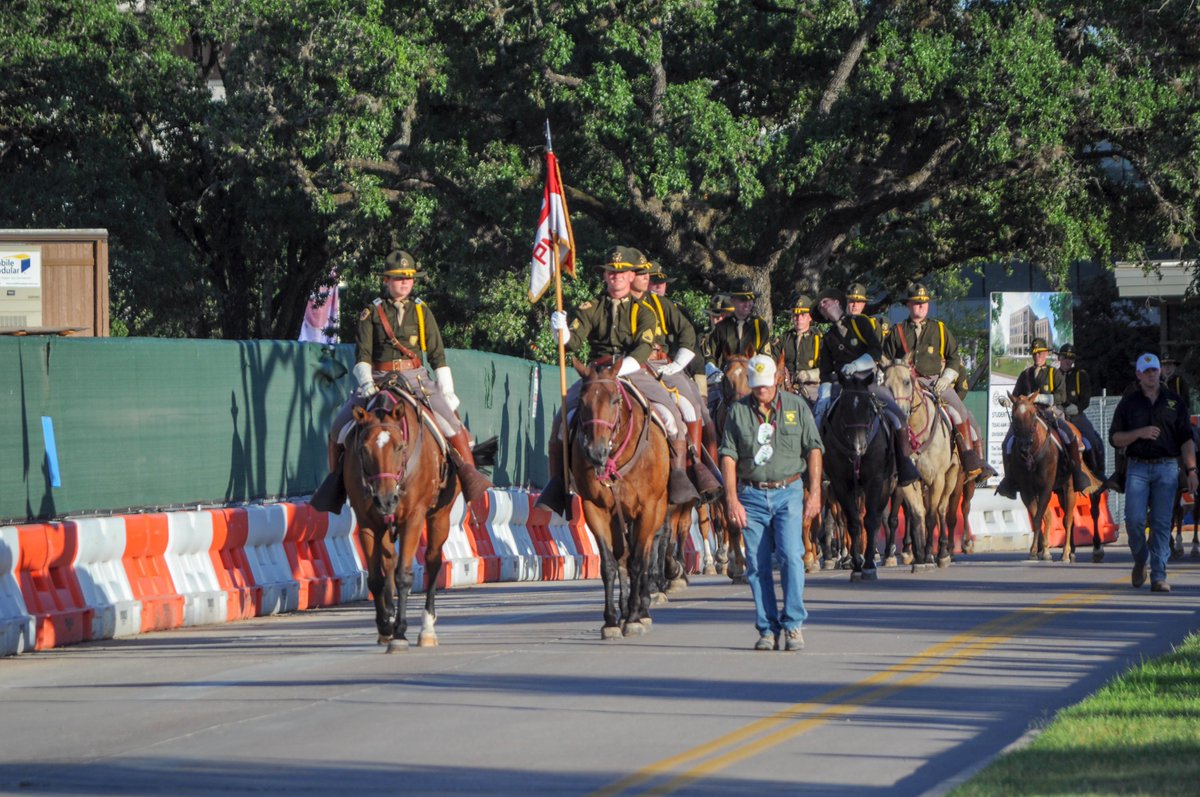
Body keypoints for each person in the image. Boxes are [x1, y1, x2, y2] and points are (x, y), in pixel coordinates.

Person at [311, 250, 492, 511]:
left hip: (415, 378)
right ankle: (337, 485)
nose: (405, 283)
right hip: (378, 377)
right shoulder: (370, 312)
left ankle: (470, 479)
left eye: (409, 278)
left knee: (453, 425)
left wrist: (447, 390)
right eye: (398, 278)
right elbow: (362, 355)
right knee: (338, 429)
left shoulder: (421, 311)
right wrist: (366, 384)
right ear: (386, 280)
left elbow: (437, 355)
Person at [536, 246, 705, 515]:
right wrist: (562, 332)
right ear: (604, 276)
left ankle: (677, 476)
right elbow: (575, 342)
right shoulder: (591, 308)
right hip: (597, 374)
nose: (615, 277)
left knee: (671, 416)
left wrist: (622, 369)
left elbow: (643, 349)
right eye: (610, 272)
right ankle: (559, 484)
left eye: (621, 272)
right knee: (561, 422)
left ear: (630, 277)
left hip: (633, 369)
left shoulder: (643, 311)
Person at [718, 354, 823, 651]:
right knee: (756, 565)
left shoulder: (796, 406)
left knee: (791, 556)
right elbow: (728, 455)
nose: (761, 390)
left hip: (788, 491)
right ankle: (766, 628)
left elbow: (814, 449)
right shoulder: (737, 412)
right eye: (756, 386)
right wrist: (731, 498)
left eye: (766, 385)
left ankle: (792, 625)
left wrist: (815, 492)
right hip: (751, 495)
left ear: (776, 379)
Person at [883, 282, 995, 481]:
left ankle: (971, 460)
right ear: (908, 305)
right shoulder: (897, 331)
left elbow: (954, 357)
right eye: (916, 303)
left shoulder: (940, 329)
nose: (921, 306)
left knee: (960, 411)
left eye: (924, 303)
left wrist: (947, 377)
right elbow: (884, 359)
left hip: (935, 382)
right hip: (905, 385)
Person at [811, 287, 921, 487]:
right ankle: (817, 469)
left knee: (898, 416)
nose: (823, 307)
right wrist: (824, 396)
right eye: (820, 307)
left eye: (825, 302)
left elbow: (875, 351)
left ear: (837, 302)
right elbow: (825, 371)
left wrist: (856, 365)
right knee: (816, 420)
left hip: (867, 383)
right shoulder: (828, 336)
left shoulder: (861, 322)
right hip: (839, 387)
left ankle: (903, 464)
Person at [630, 260, 722, 497]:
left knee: (694, 408)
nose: (654, 285)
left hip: (662, 363)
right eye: (649, 280)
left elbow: (688, 334)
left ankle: (695, 466)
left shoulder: (665, 306)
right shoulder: (613, 303)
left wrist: (680, 363)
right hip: (627, 364)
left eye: (658, 282)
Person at [1109, 353, 1199, 593]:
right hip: (1137, 467)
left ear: (1160, 372)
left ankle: (1158, 575)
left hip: (1168, 468)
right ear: (1138, 375)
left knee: (1161, 523)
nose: (1152, 375)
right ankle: (1141, 559)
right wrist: (1140, 433)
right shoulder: (1129, 403)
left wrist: (1191, 470)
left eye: (1155, 370)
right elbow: (1115, 438)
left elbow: (1186, 439)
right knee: (1135, 521)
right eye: (1146, 371)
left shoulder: (1175, 401)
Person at [994, 337, 1090, 497]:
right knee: (1007, 444)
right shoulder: (1025, 374)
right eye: (1034, 353)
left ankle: (1077, 474)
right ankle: (1009, 480)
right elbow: (1017, 396)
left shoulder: (1054, 373)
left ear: (1046, 353)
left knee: (1070, 435)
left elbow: (1062, 395)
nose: (1037, 356)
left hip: (1049, 412)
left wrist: (1041, 399)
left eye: (1040, 353)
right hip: (1028, 416)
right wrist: (1009, 402)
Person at [1056, 343, 1109, 484]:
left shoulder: (1080, 375)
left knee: (1092, 440)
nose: (1068, 361)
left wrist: (1077, 408)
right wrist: (1056, 407)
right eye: (1065, 357)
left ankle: (1097, 473)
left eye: (1071, 358)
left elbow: (1086, 398)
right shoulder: (1053, 374)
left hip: (1075, 415)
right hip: (1057, 414)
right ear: (1059, 358)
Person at [707, 277, 772, 369]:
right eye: (742, 300)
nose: (747, 304)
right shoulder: (721, 327)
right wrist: (713, 371)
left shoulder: (760, 325)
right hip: (727, 376)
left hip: (752, 375)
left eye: (750, 300)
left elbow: (765, 356)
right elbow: (711, 356)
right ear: (733, 301)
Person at [777, 293, 821, 404]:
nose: (798, 318)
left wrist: (808, 375)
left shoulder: (818, 340)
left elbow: (826, 368)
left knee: (819, 413)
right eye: (795, 315)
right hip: (784, 387)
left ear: (810, 316)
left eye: (803, 314)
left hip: (811, 388)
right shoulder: (783, 339)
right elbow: (772, 358)